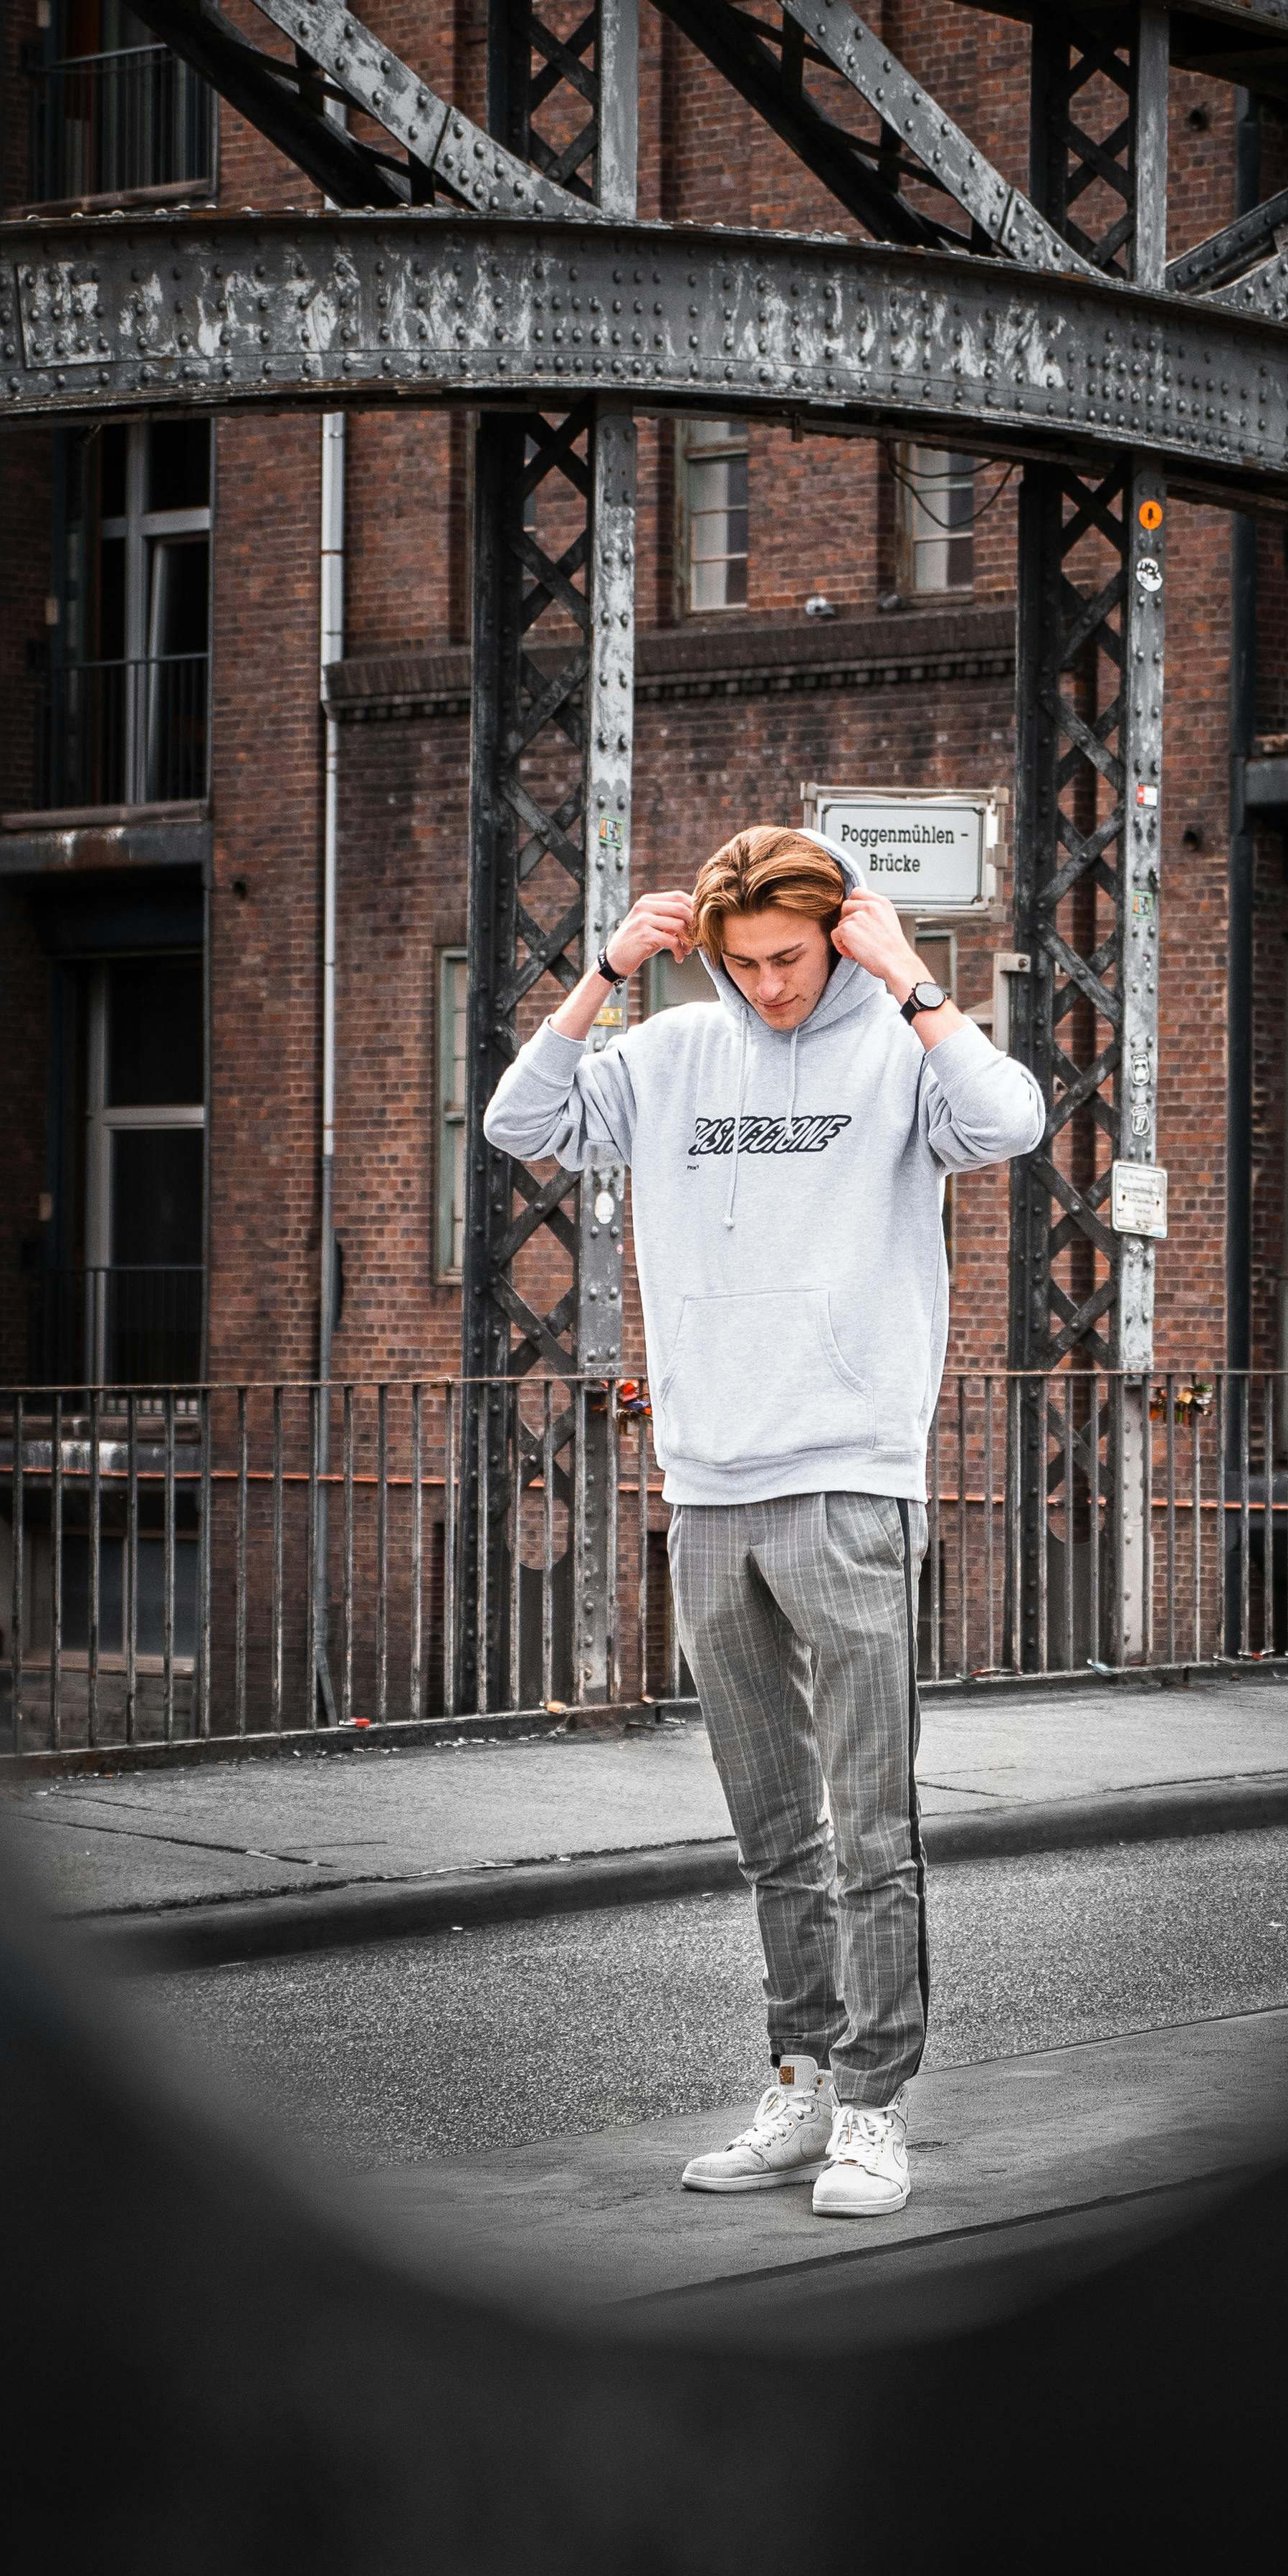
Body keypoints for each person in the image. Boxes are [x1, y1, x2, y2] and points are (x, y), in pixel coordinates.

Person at [484, 826, 1044, 2218]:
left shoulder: (897, 1052)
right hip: (709, 1485)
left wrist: (907, 974)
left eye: (789, 957)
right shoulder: (669, 1056)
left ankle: (873, 2107)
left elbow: (1012, 1117)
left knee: (870, 1825)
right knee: (772, 1827)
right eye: (741, 964)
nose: (770, 985)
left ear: (836, 931)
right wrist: (607, 970)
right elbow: (518, 1118)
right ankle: (797, 2081)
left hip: (850, 1475)